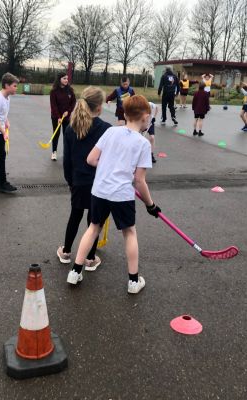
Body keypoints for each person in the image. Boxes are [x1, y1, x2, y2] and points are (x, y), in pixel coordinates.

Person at [66, 95, 161, 294]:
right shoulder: (143, 144)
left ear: (125, 115)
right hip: (121, 195)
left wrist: (110, 167)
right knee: (129, 233)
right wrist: (150, 205)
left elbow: (91, 159)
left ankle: (75, 272)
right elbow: (139, 180)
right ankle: (133, 281)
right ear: (145, 117)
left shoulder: (110, 132)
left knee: (93, 228)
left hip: (99, 190)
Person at [57, 86, 111, 271]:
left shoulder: (71, 128)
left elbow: (67, 161)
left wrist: (70, 181)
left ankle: (66, 251)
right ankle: (90, 258)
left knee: (75, 215)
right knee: (94, 221)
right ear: (99, 107)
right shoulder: (106, 129)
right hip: (99, 182)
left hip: (79, 181)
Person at [50, 72, 76, 161]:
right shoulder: (54, 91)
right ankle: (54, 152)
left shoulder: (70, 90)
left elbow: (73, 102)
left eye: (67, 78)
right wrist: (58, 117)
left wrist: (68, 111)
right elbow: (53, 105)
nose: (66, 80)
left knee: (67, 135)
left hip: (66, 117)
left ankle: (66, 153)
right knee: (56, 134)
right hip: (56, 117)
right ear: (59, 79)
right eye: (64, 78)